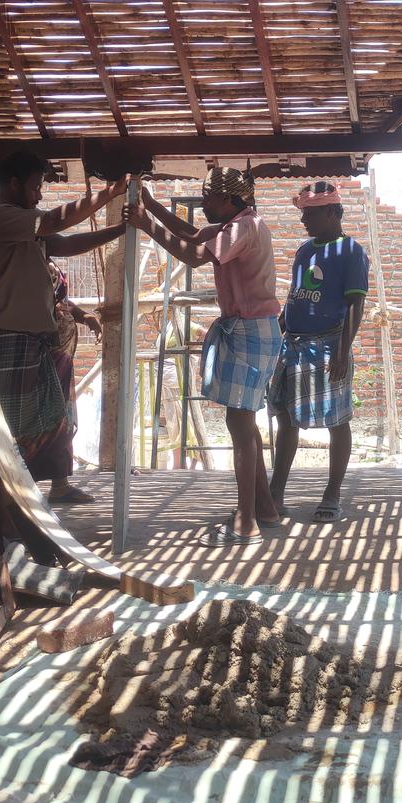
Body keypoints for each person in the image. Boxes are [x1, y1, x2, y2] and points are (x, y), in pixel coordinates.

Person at [126, 167, 282, 544]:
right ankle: (265, 509)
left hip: (249, 331)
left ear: (228, 199)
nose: (204, 205)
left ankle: (245, 523)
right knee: (244, 424)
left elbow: (194, 255)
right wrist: (152, 207)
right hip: (256, 329)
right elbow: (194, 234)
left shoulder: (242, 227)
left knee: (240, 426)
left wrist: (147, 225)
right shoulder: (241, 222)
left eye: (208, 198)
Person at [0, 152, 125, 503]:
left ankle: (48, 487)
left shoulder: (22, 224)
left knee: (52, 417)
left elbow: (62, 244)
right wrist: (106, 195)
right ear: (13, 185)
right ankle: (8, 500)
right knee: (13, 425)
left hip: (34, 339)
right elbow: (53, 223)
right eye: (35, 188)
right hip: (7, 336)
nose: (39, 196)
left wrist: (120, 230)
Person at [267, 182, 369, 522]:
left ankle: (332, 492)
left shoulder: (351, 251)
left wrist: (343, 350)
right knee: (286, 418)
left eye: (310, 214)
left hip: (329, 345)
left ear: (333, 212)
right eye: (302, 214)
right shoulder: (304, 251)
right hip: (292, 345)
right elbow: (296, 296)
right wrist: (280, 328)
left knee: (337, 420)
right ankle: (275, 493)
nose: (304, 221)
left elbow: (356, 304)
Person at [48, 257, 103, 465]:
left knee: (62, 414)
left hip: (60, 357)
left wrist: (85, 317)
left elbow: (59, 301)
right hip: (39, 353)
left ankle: (60, 481)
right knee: (49, 416)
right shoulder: (24, 255)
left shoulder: (44, 254)